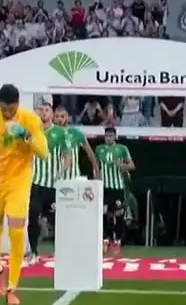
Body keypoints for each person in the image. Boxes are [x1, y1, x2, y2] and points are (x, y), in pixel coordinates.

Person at [0, 84, 49, 305]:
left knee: (17, 230)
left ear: (18, 104)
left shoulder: (30, 119)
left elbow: (43, 153)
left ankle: (12, 287)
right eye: (4, 108)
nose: (8, 112)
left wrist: (25, 135)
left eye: (12, 108)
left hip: (19, 181)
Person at [28, 102, 72, 265]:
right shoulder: (32, 132)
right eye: (41, 110)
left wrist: (60, 174)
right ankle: (33, 252)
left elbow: (67, 156)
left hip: (53, 184)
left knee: (56, 220)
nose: (43, 113)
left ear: (52, 114)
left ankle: (58, 251)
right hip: (35, 183)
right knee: (33, 217)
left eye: (47, 110)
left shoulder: (60, 133)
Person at [95, 127, 134, 255]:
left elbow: (132, 166)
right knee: (104, 214)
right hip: (105, 188)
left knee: (118, 216)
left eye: (111, 136)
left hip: (118, 187)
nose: (109, 138)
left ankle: (117, 241)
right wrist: (96, 176)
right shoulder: (99, 149)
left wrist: (121, 165)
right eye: (107, 136)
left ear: (115, 137)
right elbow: (96, 166)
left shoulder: (122, 149)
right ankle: (106, 239)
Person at [55, 106, 99, 181]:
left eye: (62, 116)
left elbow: (90, 154)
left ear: (67, 117)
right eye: (57, 116)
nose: (59, 119)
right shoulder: (50, 133)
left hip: (73, 177)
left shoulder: (76, 133)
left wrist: (97, 171)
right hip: (54, 177)